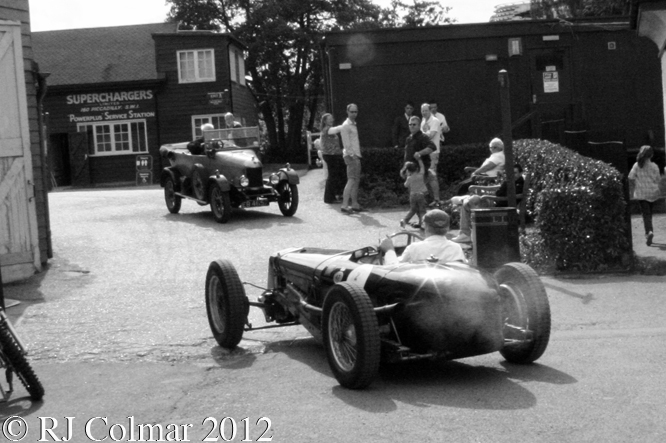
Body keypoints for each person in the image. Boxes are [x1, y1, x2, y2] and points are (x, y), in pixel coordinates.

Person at [451, 164, 525, 244]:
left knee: (471, 201)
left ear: (521, 173)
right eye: (511, 173)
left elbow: (500, 195)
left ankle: (465, 233)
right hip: (495, 203)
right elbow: (499, 193)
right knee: (471, 201)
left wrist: (490, 195)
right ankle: (464, 200)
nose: (512, 175)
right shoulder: (510, 181)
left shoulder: (518, 184)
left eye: (515, 173)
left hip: (498, 206)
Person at [380, 209, 466, 264]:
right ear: (447, 228)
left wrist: (389, 250)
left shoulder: (414, 248)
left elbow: (393, 269)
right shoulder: (456, 248)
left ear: (424, 225)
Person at [329, 103, 364, 213]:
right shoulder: (346, 125)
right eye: (352, 112)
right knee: (352, 180)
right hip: (351, 156)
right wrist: (353, 156)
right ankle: (344, 205)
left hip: (355, 155)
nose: (354, 114)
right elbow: (346, 144)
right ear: (347, 112)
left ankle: (354, 204)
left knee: (355, 180)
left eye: (356, 112)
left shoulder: (353, 124)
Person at [629, 145, 662, 246]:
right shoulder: (655, 166)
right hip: (652, 193)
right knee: (649, 213)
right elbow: (658, 180)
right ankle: (649, 231)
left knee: (645, 214)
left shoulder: (637, 165)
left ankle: (649, 232)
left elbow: (630, 177)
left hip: (641, 193)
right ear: (651, 155)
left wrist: (633, 188)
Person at [319, 113, 346, 204]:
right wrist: (347, 124)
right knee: (332, 176)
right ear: (325, 121)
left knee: (335, 175)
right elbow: (337, 129)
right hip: (330, 155)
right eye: (329, 119)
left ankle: (333, 196)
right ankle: (329, 198)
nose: (331, 120)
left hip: (334, 155)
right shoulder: (327, 129)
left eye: (332, 118)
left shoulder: (328, 130)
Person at [420, 103, 442, 206]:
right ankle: (429, 199)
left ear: (430, 111)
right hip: (424, 152)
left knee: (432, 177)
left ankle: (436, 200)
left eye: (426, 110)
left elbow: (431, 135)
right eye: (422, 111)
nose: (424, 112)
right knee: (425, 176)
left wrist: (422, 135)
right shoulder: (423, 121)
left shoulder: (435, 121)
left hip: (433, 153)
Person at [399, 156, 427, 230]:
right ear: (417, 169)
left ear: (408, 170)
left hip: (412, 195)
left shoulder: (409, 178)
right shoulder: (421, 174)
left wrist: (408, 176)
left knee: (413, 209)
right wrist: (419, 159)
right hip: (421, 195)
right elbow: (422, 166)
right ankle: (423, 224)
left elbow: (405, 185)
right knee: (422, 210)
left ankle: (404, 220)